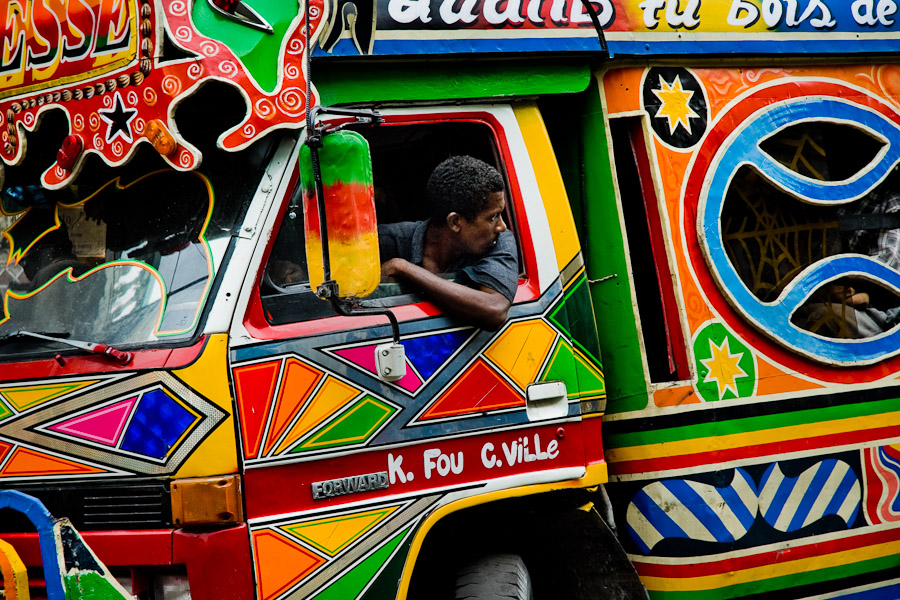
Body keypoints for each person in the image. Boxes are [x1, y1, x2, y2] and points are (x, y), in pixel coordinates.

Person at [378, 156, 517, 330]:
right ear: (455, 222)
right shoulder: (384, 242)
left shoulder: (499, 240)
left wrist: (402, 268)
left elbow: (494, 310)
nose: (502, 226)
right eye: (493, 217)